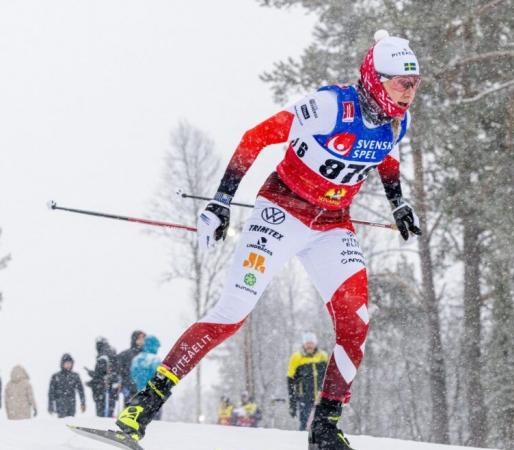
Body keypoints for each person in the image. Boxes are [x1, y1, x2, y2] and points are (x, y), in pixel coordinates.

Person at [116, 29, 422, 450]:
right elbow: (256, 138)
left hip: (332, 224)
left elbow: (386, 155)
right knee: (234, 310)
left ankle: (325, 428)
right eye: (401, 83)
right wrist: (222, 202)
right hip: (280, 212)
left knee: (356, 322)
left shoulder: (397, 121)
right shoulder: (330, 106)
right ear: (374, 78)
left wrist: (398, 203)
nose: (409, 93)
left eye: (415, 84)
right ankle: (144, 405)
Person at [288, 332, 329, 431]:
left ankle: (321, 443)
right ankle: (302, 443)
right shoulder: (296, 357)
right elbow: (290, 381)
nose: (309, 345)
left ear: (315, 344)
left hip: (321, 396)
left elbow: (329, 376)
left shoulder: (323, 356)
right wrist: (292, 403)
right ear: (304, 344)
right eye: (307, 343)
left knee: (323, 423)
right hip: (304, 397)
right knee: (304, 423)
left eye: (311, 343)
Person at [85, 337, 119, 417]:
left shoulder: (103, 356)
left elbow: (100, 376)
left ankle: (104, 426)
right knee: (110, 412)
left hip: (103, 392)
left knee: (103, 414)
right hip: (112, 390)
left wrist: (92, 382)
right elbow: (106, 373)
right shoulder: (111, 354)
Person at [48, 353, 86, 418]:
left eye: (70, 363)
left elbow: (80, 390)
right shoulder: (56, 376)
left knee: (71, 421)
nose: (68, 365)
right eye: (66, 363)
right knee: (62, 421)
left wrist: (83, 403)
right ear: (62, 364)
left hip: (71, 403)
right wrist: (50, 405)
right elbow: (51, 392)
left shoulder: (75, 376)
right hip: (60, 404)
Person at [116, 330, 145, 402]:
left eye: (143, 338)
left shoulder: (148, 356)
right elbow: (118, 371)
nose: (142, 340)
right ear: (134, 339)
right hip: (131, 393)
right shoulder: (125, 354)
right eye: (139, 338)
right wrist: (123, 388)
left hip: (146, 393)